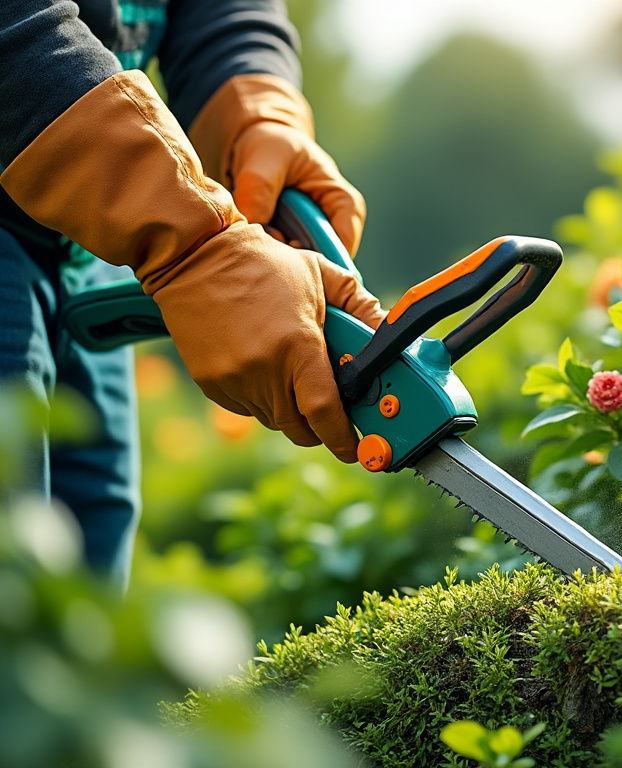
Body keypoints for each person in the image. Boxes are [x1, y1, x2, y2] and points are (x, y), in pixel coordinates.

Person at [0, 1, 386, 592]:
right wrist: (194, 245)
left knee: (84, 610)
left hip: (93, 229)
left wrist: (254, 108)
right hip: (91, 181)